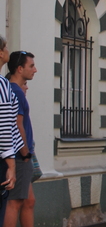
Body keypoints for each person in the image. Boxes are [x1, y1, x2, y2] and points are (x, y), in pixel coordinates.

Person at [4, 51, 36, 227]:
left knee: (29, 201)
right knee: (15, 202)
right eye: (31, 66)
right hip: (19, 155)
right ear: (19, 68)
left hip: (21, 155)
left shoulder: (13, 89)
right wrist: (25, 153)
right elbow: (17, 125)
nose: (35, 70)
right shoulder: (15, 91)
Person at [0, 37, 22, 225]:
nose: (8, 50)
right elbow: (5, 128)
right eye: (6, 47)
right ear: (0, 53)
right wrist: (11, 166)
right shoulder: (2, 86)